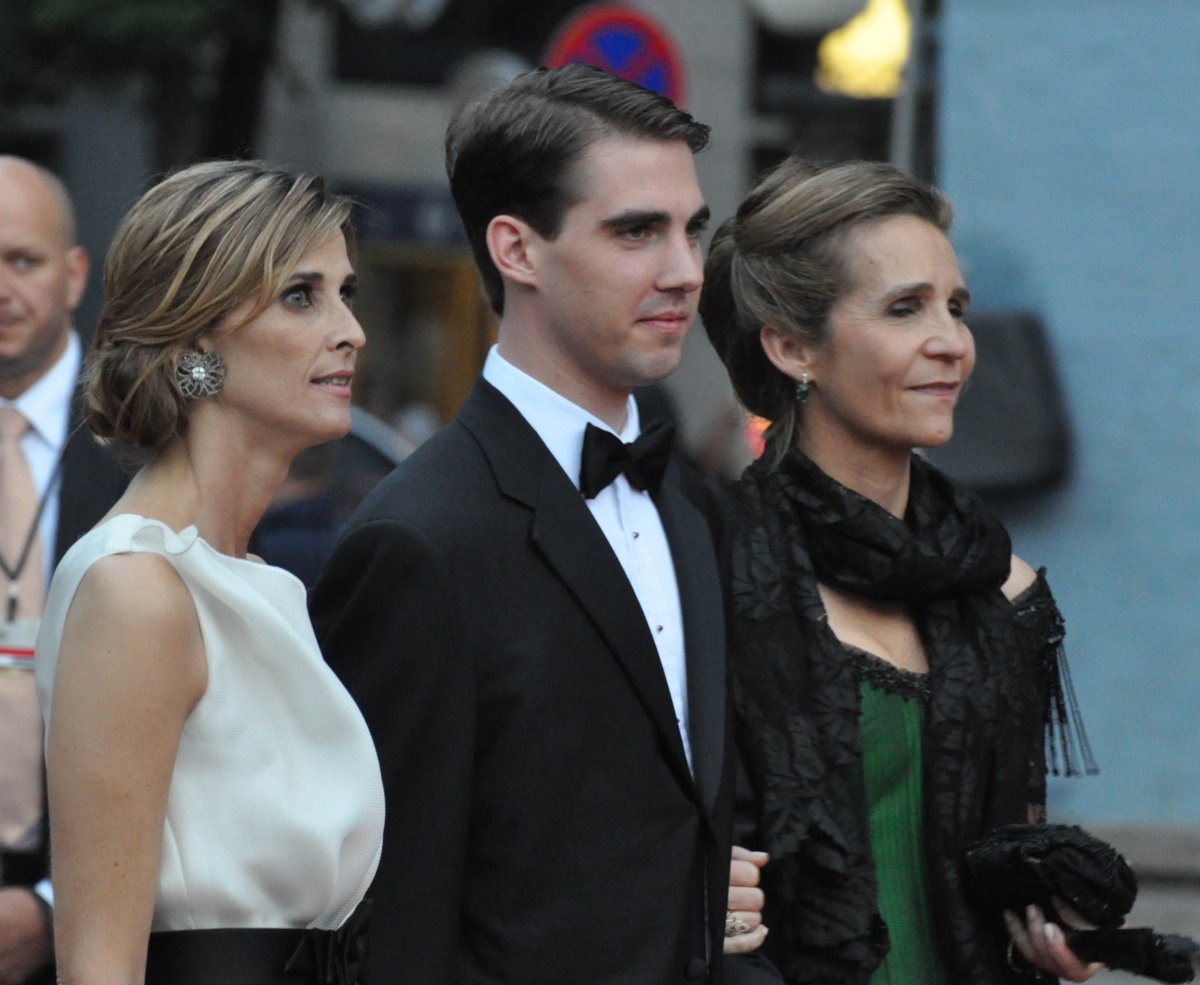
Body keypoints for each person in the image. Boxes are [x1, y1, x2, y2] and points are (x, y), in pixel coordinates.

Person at [310, 64, 778, 985]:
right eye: (636, 232)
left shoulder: (688, 507)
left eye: (692, 230)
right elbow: (389, 918)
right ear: (517, 250)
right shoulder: (419, 541)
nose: (684, 271)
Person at [700, 157, 1099, 985]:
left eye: (956, 307)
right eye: (905, 308)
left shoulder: (1005, 588)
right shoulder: (710, 573)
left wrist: (1049, 914)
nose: (951, 343)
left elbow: (1007, 857)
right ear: (792, 345)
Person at [33, 160, 383, 985]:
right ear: (195, 339)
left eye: (346, 292)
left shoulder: (260, 585)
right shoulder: (137, 589)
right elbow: (97, 966)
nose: (351, 330)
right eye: (302, 295)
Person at [0, 156, 128, 985]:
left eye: (23, 261)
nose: (1, 288)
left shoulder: (148, 447)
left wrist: (54, 904)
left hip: (81, 925)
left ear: (75, 274)